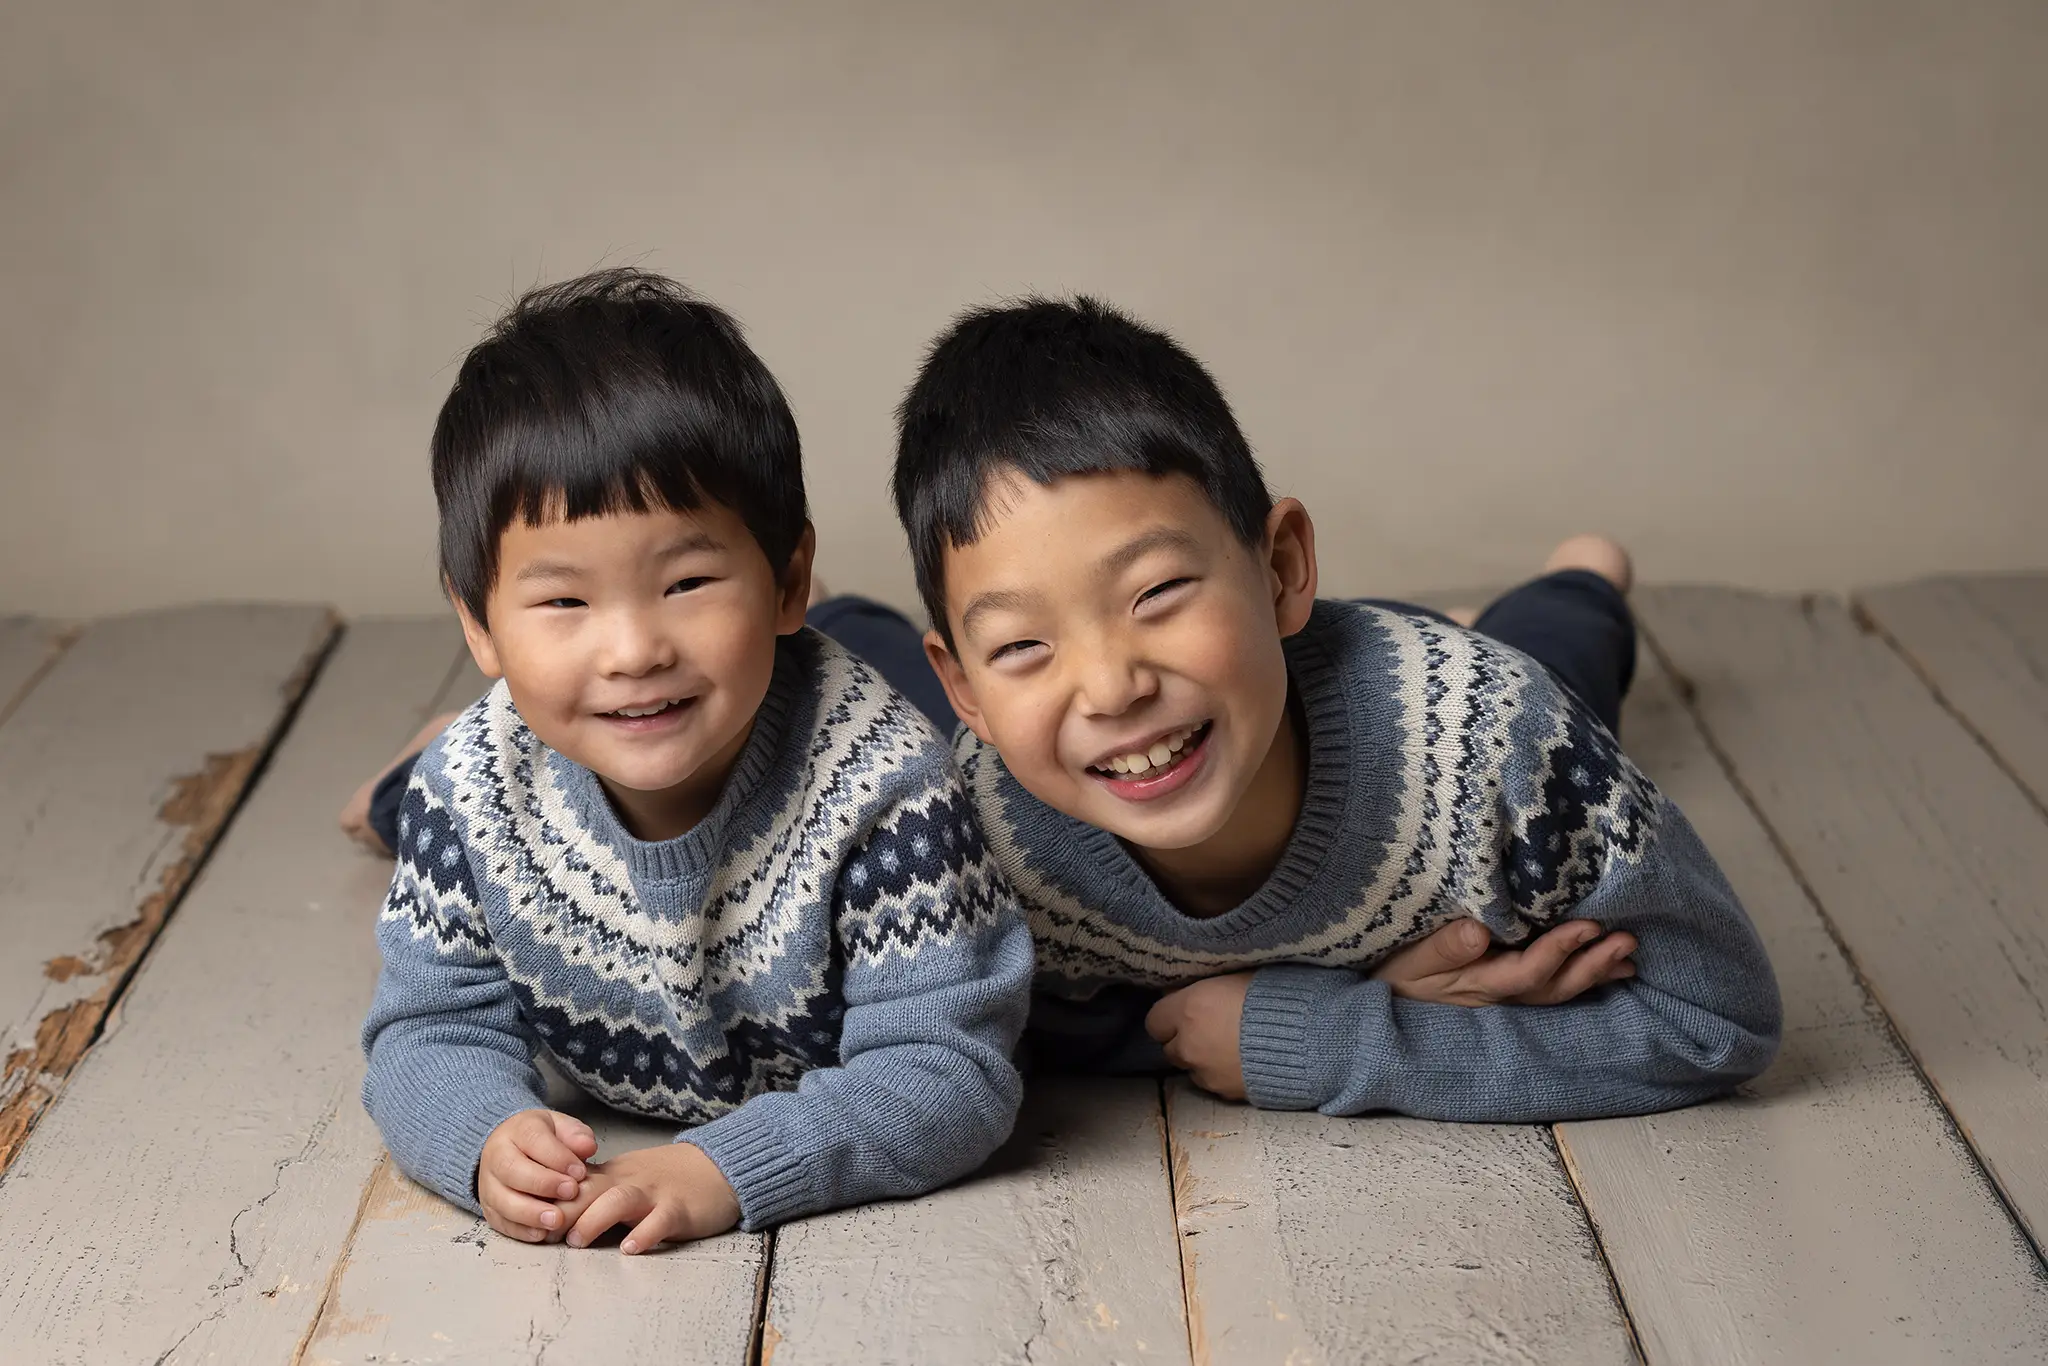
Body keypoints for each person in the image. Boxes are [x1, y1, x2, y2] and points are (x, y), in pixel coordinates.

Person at [881, 296, 1780, 1120]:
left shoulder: (1484, 741)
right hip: (1268, 692)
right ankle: (863, 616)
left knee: (1555, 654)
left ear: (1280, 569)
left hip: (1400, 694)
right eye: (1020, 647)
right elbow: (979, 1034)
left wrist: (1326, 1036)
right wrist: (1356, 991)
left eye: (1156, 593)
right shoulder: (973, 827)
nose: (1114, 687)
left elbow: (1716, 1018)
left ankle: (1581, 576)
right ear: (967, 690)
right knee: (866, 679)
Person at [359, 268, 1032, 1257]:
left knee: (937, 707)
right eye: (562, 603)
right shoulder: (471, 792)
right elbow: (426, 1031)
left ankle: (836, 620)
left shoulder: (888, 788)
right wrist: (483, 1137)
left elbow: (947, 1070)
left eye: (686, 581)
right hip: (596, 729)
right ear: (477, 623)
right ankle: (398, 773)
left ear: (786, 576)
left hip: (834, 694)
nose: (632, 648)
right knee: (437, 778)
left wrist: (728, 1165)